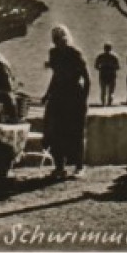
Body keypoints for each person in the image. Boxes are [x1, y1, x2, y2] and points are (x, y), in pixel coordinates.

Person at [42, 25, 92, 178]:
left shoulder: (75, 53)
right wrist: (47, 94)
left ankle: (79, 166)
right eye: (55, 39)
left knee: (76, 132)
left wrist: (83, 99)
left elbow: (87, 79)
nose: (57, 42)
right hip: (58, 96)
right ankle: (59, 167)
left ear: (66, 38)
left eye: (60, 38)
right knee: (56, 132)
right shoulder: (53, 53)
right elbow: (56, 76)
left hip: (74, 95)